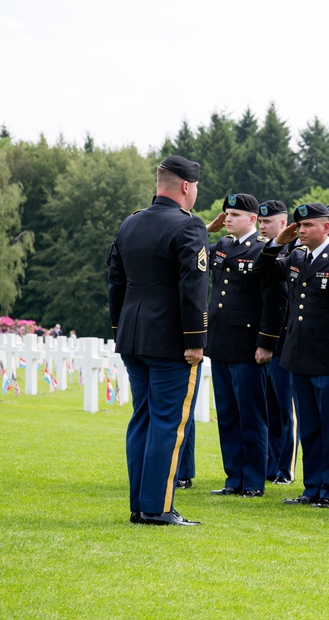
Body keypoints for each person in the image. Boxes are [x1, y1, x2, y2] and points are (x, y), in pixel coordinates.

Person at [107, 155, 208, 526]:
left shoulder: (130, 223)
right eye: (195, 187)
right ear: (185, 186)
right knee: (168, 423)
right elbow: (193, 287)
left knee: (143, 420)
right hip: (172, 341)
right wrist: (196, 339)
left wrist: (120, 330)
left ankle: (140, 504)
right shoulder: (188, 227)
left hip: (133, 338)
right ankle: (157, 508)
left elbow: (116, 282)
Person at [254, 202, 329, 508]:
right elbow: (261, 268)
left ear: (327, 228)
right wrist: (279, 240)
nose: (301, 231)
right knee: (310, 427)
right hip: (299, 356)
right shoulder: (295, 257)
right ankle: (312, 487)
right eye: (299, 227)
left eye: (308, 227)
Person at [204, 194, 279, 499]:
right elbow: (189, 254)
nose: (228, 219)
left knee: (251, 415)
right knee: (227, 413)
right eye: (226, 214)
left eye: (234, 214)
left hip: (248, 346)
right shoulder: (222, 246)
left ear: (252, 219)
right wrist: (206, 229)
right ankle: (233, 477)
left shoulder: (263, 251)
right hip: (221, 342)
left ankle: (253, 481)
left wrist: (266, 343)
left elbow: (274, 301)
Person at [257, 199, 299, 486]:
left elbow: (282, 302)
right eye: (260, 222)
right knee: (270, 408)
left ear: (283, 224)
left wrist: (270, 341)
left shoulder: (295, 252)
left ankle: (285, 468)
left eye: (268, 222)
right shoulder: (265, 252)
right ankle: (271, 465)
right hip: (264, 339)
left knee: (287, 411)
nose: (262, 226)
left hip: (284, 342)